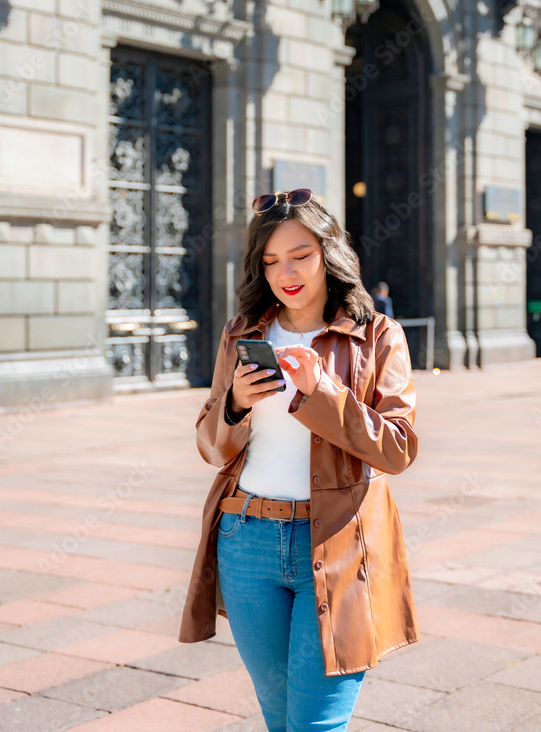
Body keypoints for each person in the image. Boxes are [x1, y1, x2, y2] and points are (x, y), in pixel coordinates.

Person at [178, 188, 419, 732]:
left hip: (336, 543)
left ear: (329, 253)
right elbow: (210, 446)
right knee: (280, 719)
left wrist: (325, 395)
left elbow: (398, 448)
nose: (284, 272)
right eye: (269, 261)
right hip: (247, 543)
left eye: (300, 256)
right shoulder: (243, 334)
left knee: (315, 725)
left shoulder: (378, 336)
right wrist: (236, 403)